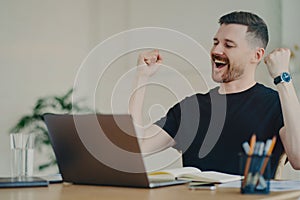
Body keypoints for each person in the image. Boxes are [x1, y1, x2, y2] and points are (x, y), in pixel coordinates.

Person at [129, 11, 300, 177]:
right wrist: (141, 77)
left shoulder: (276, 105)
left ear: (256, 55)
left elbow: (298, 158)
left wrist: (282, 78)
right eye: (215, 42)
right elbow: (135, 146)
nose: (216, 50)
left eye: (228, 45)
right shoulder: (191, 108)